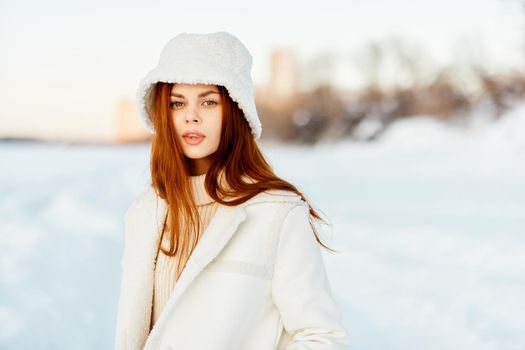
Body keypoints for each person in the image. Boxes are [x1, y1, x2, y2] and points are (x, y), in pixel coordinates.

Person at [114, 31, 349, 350]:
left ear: (235, 111)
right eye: (177, 103)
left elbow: (320, 338)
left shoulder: (276, 214)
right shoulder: (146, 212)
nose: (191, 115)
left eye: (208, 102)